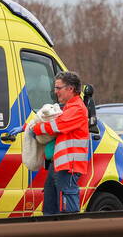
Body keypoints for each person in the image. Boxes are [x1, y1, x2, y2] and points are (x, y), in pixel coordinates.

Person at [29, 71, 90, 215]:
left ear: (70, 89)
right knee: (50, 206)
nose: (55, 92)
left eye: (58, 88)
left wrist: (36, 129)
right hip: (60, 164)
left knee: (67, 207)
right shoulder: (68, 108)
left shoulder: (77, 109)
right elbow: (49, 122)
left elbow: (56, 126)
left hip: (69, 166)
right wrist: (27, 128)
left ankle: (69, 234)